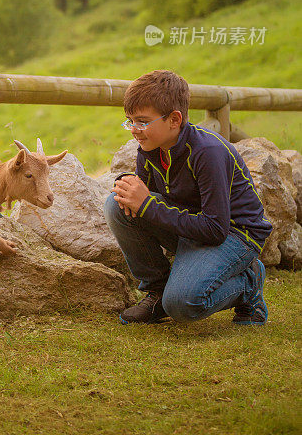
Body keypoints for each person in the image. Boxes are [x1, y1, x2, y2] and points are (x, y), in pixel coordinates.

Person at [103, 69, 272, 325]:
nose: (134, 130)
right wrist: (132, 193)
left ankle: (249, 283)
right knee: (117, 205)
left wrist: (148, 205)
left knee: (182, 305)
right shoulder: (150, 148)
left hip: (234, 234)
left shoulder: (208, 153)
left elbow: (215, 229)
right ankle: (157, 292)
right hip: (194, 225)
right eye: (130, 121)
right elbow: (147, 208)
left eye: (142, 121)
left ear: (174, 119)